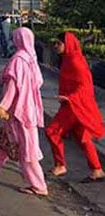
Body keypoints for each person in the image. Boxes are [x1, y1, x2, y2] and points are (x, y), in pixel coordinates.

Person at [0, 28, 48, 197]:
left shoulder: (18, 60)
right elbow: (39, 82)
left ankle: (39, 186)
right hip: (25, 109)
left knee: (27, 149)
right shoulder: (31, 59)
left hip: (18, 112)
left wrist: (3, 106)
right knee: (2, 141)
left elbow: (13, 87)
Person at [46, 32, 105, 182]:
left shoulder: (75, 61)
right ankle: (97, 169)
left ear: (68, 44)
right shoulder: (68, 59)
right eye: (55, 43)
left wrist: (70, 98)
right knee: (81, 137)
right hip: (72, 103)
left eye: (58, 43)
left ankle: (60, 165)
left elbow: (85, 85)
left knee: (52, 131)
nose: (56, 46)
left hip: (74, 104)